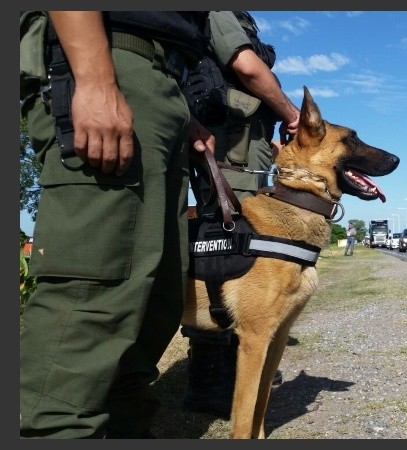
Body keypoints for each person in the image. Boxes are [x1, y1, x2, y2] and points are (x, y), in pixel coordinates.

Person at [19, 11, 213, 438]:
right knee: (92, 299)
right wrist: (95, 80)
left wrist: (181, 111)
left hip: (161, 85)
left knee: (154, 300)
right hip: (107, 59)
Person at [179, 10, 301, 419]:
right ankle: (209, 382)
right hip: (232, 147)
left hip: (240, 146)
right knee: (227, 258)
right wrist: (291, 113)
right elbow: (247, 68)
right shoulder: (220, 10)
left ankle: (222, 375)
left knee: (230, 256)